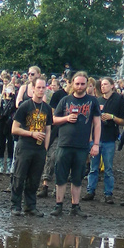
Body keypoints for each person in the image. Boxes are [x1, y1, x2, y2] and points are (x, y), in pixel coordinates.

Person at [51, 71, 101, 218]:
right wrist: (66, 118)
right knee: (61, 176)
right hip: (64, 144)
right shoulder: (65, 100)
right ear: (72, 83)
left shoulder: (92, 101)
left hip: (82, 146)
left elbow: (97, 123)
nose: (79, 86)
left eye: (82, 84)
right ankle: (58, 205)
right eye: (77, 83)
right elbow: (53, 119)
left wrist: (96, 144)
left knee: (77, 177)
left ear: (87, 84)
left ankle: (75, 206)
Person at [10, 77, 52, 216]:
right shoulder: (25, 106)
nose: (41, 90)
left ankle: (30, 205)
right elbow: (14, 129)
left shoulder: (46, 108)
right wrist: (31, 134)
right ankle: (16, 205)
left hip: (39, 149)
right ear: (33, 88)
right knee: (19, 176)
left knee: (34, 178)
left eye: (43, 87)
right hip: (25, 146)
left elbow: (48, 130)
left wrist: (45, 150)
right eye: (38, 87)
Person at [85, 77, 124, 203]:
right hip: (97, 139)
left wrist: (112, 117)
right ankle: (90, 191)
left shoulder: (119, 100)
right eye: (102, 84)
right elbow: (91, 120)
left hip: (109, 139)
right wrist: (91, 138)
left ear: (112, 86)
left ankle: (108, 194)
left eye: (105, 84)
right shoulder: (97, 100)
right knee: (93, 167)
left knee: (108, 168)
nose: (103, 86)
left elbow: (123, 121)